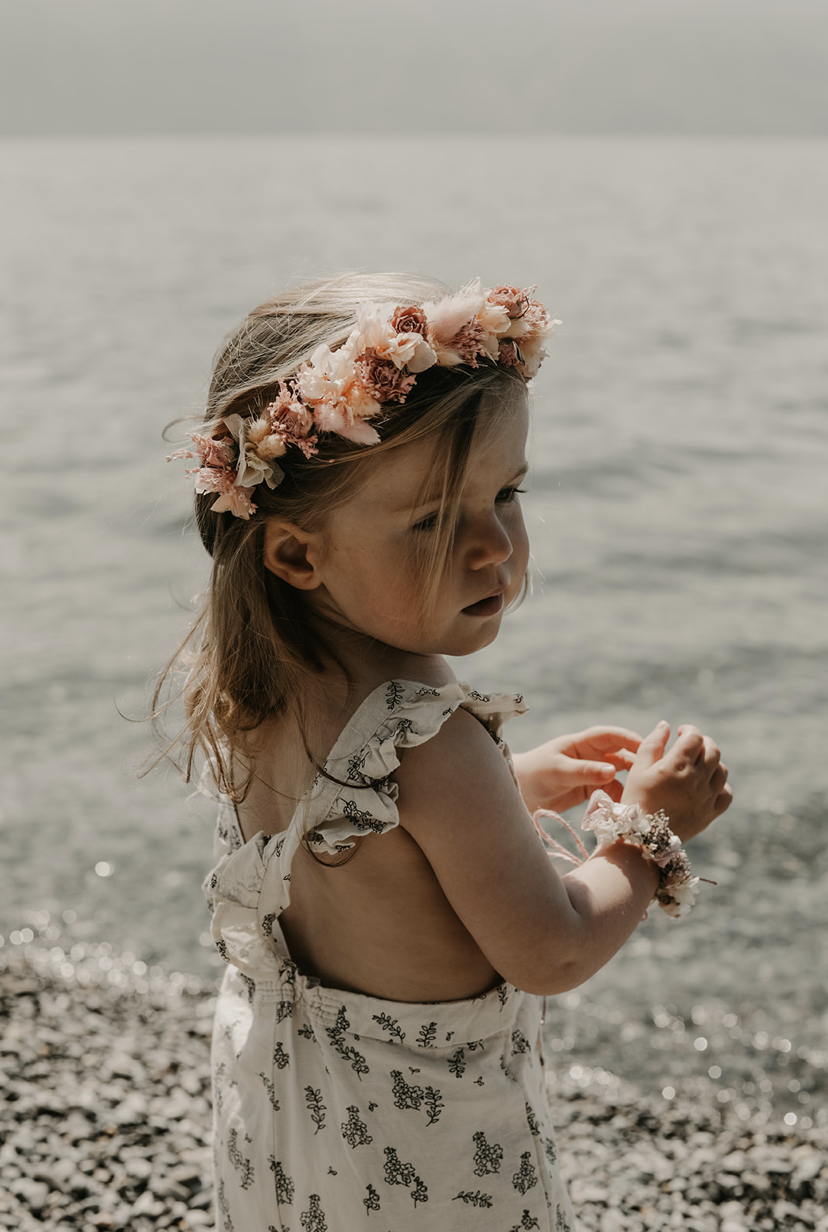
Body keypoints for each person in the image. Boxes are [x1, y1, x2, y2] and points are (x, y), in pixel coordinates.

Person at [162, 274, 731, 1231]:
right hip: (426, 1151)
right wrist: (646, 833)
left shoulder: (260, 690)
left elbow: (355, 837)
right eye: (431, 519)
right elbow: (550, 947)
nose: (494, 549)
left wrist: (515, 788)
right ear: (297, 554)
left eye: (506, 493)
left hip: (287, 1113)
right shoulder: (431, 733)